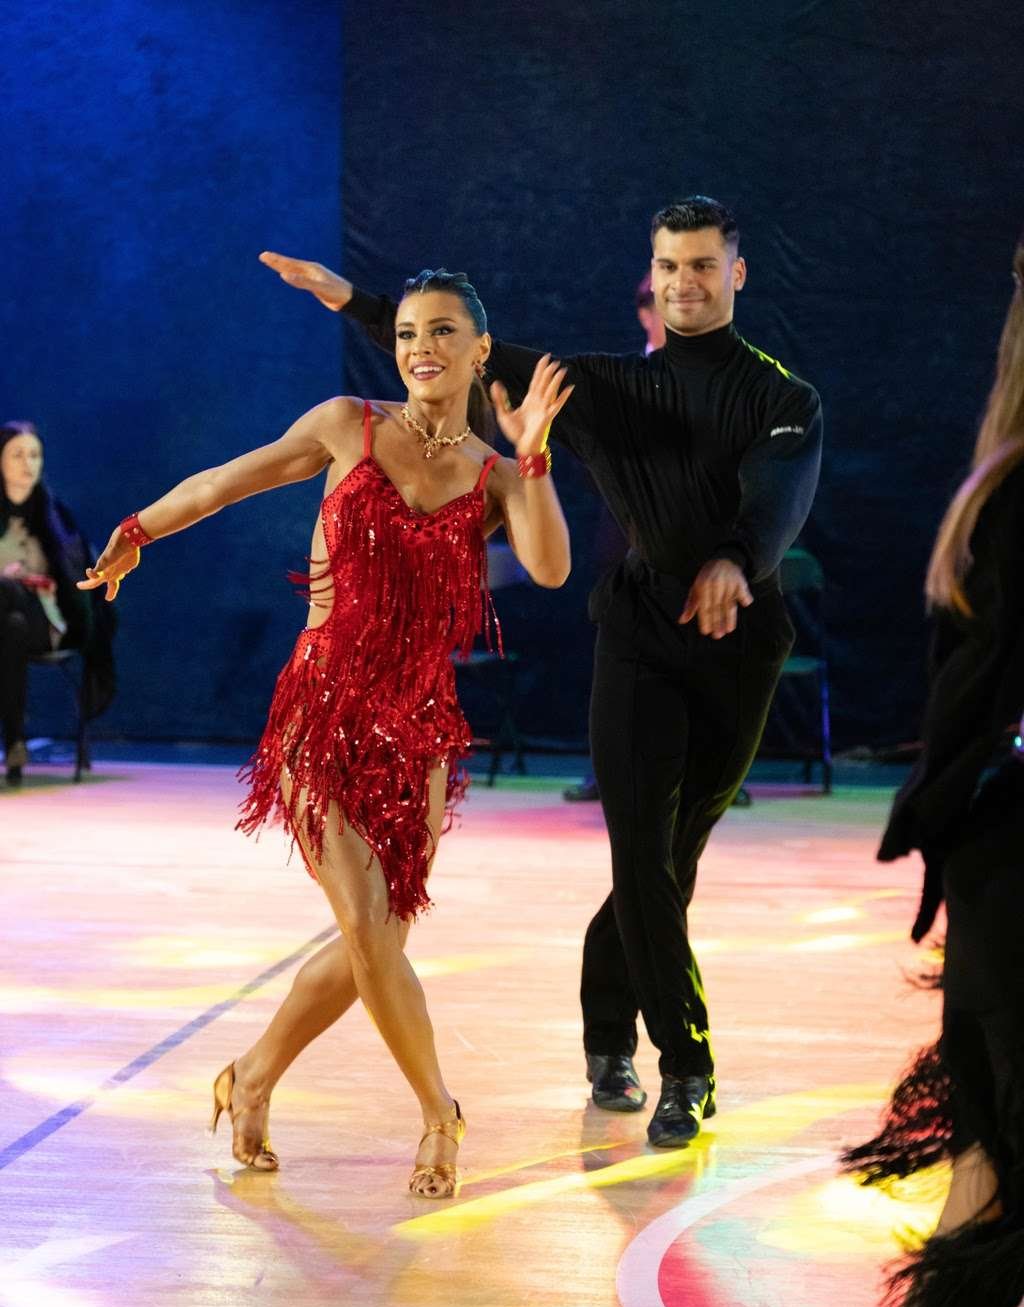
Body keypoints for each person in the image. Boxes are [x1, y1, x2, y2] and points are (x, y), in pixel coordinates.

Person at [261, 192, 822, 1147]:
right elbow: (469, 350)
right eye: (669, 266)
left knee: (670, 860)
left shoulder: (785, 398)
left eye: (702, 265)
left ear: (736, 272)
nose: (685, 282)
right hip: (639, 634)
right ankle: (685, 1066)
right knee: (641, 849)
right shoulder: (605, 387)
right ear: (652, 277)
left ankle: (605, 1032)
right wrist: (352, 299)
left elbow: (778, 498)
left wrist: (736, 559)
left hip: (740, 641)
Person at [79, 268, 572, 1197]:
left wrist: (535, 454)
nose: (421, 348)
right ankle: (440, 1114)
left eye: (443, 332)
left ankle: (252, 1075)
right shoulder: (349, 425)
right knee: (367, 924)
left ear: (479, 351)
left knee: (373, 938)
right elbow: (222, 484)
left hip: (422, 727)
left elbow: (549, 568)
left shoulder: (497, 474)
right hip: (323, 708)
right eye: (408, 333)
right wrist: (137, 529)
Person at [842, 238, 1024, 1307]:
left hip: (1000, 890)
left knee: (980, 1203)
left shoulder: (997, 492)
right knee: (981, 1214)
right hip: (1013, 895)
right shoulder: (1012, 502)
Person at [563, 270, 664, 805]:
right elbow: (589, 455)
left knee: (691, 660)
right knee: (618, 661)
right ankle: (609, 770)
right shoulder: (621, 381)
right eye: (659, 302)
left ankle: (701, 770)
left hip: (690, 544)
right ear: (644, 313)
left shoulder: (716, 378)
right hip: (623, 539)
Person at [0, 421, 115, 786]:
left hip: (48, 622)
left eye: (34, 455)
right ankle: (15, 743)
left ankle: (14, 741)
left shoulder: (54, 516)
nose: (28, 463)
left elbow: (76, 579)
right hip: (10, 628)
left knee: (10, 597)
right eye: (17, 455)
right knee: (11, 625)